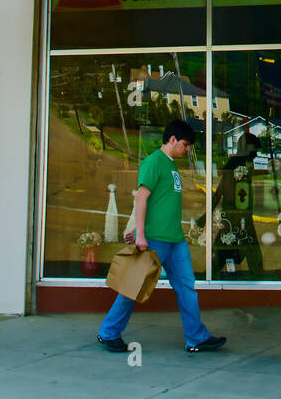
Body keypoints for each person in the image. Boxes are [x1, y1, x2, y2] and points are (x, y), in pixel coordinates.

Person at [97, 120, 226, 354]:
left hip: (175, 240)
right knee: (134, 287)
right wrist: (140, 235)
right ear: (173, 140)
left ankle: (196, 338)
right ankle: (108, 333)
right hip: (154, 239)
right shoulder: (153, 162)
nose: (187, 150)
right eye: (185, 145)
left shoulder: (171, 165)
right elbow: (142, 198)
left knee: (187, 286)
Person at [198, 132, 265, 277]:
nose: (255, 155)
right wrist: (205, 216)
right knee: (243, 250)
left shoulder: (240, 163)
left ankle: (208, 276)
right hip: (237, 217)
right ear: (246, 148)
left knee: (227, 251)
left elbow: (220, 192)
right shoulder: (237, 165)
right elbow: (224, 192)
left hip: (238, 216)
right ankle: (259, 278)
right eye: (254, 151)